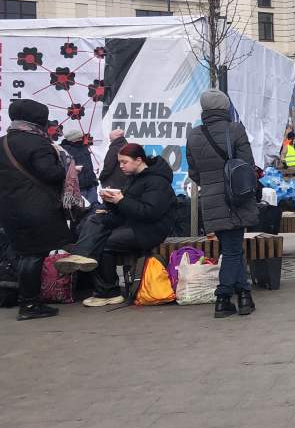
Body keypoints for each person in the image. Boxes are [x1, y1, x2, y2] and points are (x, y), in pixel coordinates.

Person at [57, 142, 177, 307]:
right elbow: (128, 208)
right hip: (132, 224)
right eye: (119, 162)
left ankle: (107, 291)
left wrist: (121, 200)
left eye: (124, 162)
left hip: (150, 230)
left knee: (104, 243)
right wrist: (111, 203)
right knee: (95, 219)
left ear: (138, 160)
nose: (121, 166)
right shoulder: (133, 179)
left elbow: (150, 213)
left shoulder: (157, 181)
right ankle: (81, 256)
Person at [186, 89, 260, 318]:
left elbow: (194, 172)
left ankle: (244, 295)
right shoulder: (235, 129)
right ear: (225, 107)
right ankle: (223, 296)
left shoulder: (194, 135)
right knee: (231, 250)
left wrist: (211, 183)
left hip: (211, 198)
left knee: (231, 248)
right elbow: (247, 164)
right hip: (235, 198)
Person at [0, 100, 71, 321]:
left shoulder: (3, 143)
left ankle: (28, 299)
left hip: (9, 208)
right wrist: (67, 169)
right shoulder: (38, 143)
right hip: (36, 208)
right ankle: (29, 303)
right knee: (33, 255)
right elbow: (49, 173)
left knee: (23, 253)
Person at [62, 128, 98, 206]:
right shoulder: (64, 150)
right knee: (80, 212)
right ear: (72, 139)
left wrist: (94, 181)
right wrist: (73, 169)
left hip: (91, 185)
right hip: (77, 188)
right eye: (79, 137)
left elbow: (90, 164)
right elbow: (62, 168)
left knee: (95, 209)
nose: (81, 138)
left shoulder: (84, 147)